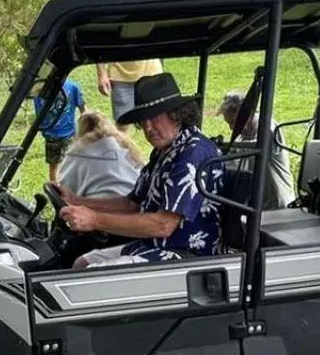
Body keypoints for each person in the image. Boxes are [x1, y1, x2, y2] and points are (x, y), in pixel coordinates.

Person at [58, 73, 223, 266]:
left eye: (154, 118)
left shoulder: (192, 153)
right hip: (155, 245)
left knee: (93, 272)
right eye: (144, 121)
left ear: (177, 114)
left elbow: (163, 225)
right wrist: (77, 201)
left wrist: (94, 220)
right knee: (82, 263)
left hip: (185, 253)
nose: (148, 127)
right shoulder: (164, 151)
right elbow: (132, 204)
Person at [95, 0, 163, 122]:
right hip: (120, 77)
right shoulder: (105, 6)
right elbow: (98, 41)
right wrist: (101, 74)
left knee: (158, 123)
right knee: (123, 126)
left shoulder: (148, 1)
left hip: (150, 74)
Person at [218, 89, 296, 209]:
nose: (231, 128)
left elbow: (260, 145)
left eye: (233, 122)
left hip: (278, 201)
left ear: (246, 114)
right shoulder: (244, 134)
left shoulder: (267, 126)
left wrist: (227, 144)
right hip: (259, 202)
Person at [56, 110, 144, 198]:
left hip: (100, 206)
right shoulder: (127, 150)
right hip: (137, 204)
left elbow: (64, 190)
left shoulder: (77, 155)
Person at [32, 75, 85, 182]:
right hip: (52, 136)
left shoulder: (73, 87)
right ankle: (56, 192)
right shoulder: (39, 89)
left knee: (73, 163)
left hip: (71, 133)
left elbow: (83, 110)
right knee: (54, 166)